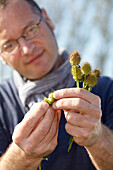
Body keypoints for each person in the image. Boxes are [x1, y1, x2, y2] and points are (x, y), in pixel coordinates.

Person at [0, 0, 113, 169]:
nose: (27, 49)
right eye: (9, 45)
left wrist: (98, 138)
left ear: (47, 19)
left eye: (31, 29)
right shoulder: (2, 104)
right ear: (1, 57)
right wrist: (23, 156)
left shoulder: (105, 90)